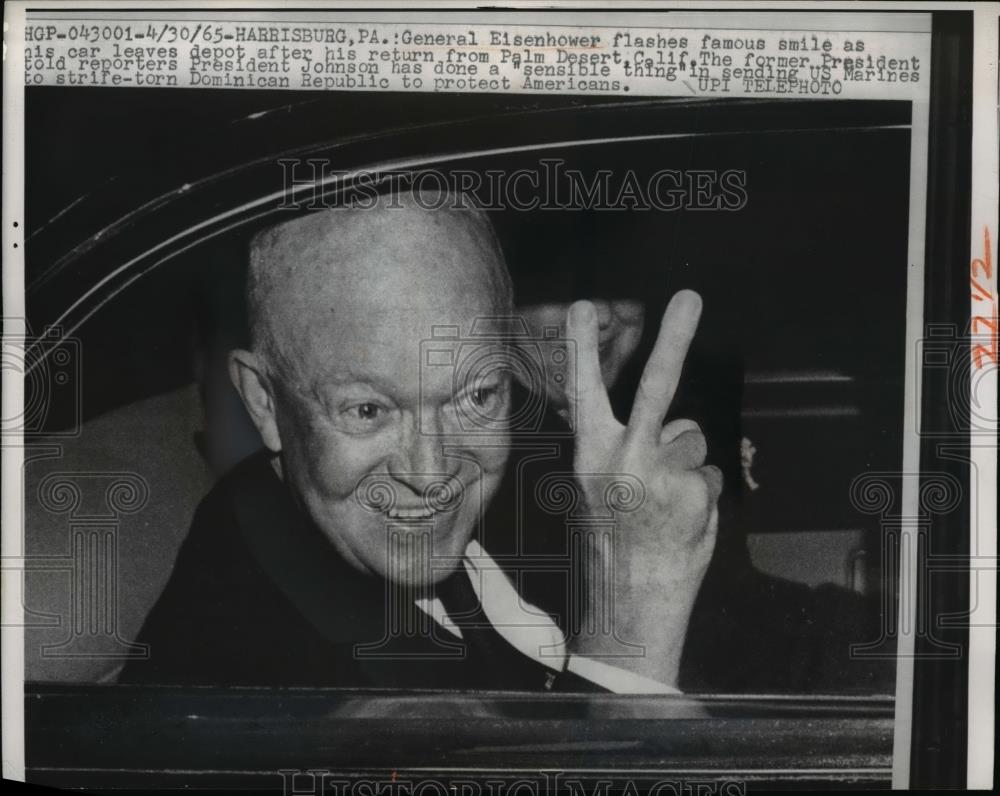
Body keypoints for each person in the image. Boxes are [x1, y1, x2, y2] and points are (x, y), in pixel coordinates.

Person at [121, 191, 723, 692]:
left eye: (476, 396)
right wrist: (631, 623)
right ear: (263, 400)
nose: (432, 474)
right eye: (368, 411)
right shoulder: (237, 674)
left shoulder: (535, 450)